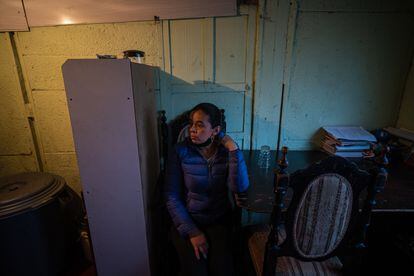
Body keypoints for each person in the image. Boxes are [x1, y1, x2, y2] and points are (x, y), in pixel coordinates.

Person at [165, 103, 249, 276]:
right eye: (192, 124)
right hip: (188, 220)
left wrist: (233, 149)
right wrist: (193, 232)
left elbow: (239, 187)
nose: (193, 130)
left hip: (218, 221)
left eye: (200, 125)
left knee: (223, 270)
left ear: (215, 130)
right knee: (196, 271)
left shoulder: (225, 152)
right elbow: (171, 196)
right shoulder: (180, 151)